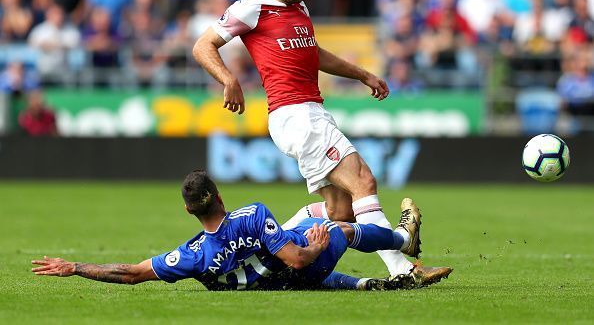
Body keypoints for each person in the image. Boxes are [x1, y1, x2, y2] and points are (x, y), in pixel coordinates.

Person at [192, 0, 451, 284]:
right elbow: (202, 45)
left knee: (340, 212)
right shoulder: (251, 8)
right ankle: (404, 269)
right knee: (363, 180)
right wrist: (228, 78)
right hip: (296, 115)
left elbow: (313, 53)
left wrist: (362, 74)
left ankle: (262, 248)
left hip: (309, 113)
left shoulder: (299, 9)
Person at [31, 170, 451, 291]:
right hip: (300, 269)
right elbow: (298, 258)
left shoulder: (192, 254)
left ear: (188, 211)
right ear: (218, 195)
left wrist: (75, 267)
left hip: (273, 285)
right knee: (338, 225)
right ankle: (402, 241)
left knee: (303, 224)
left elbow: (131, 273)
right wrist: (319, 242)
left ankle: (363, 286)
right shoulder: (251, 215)